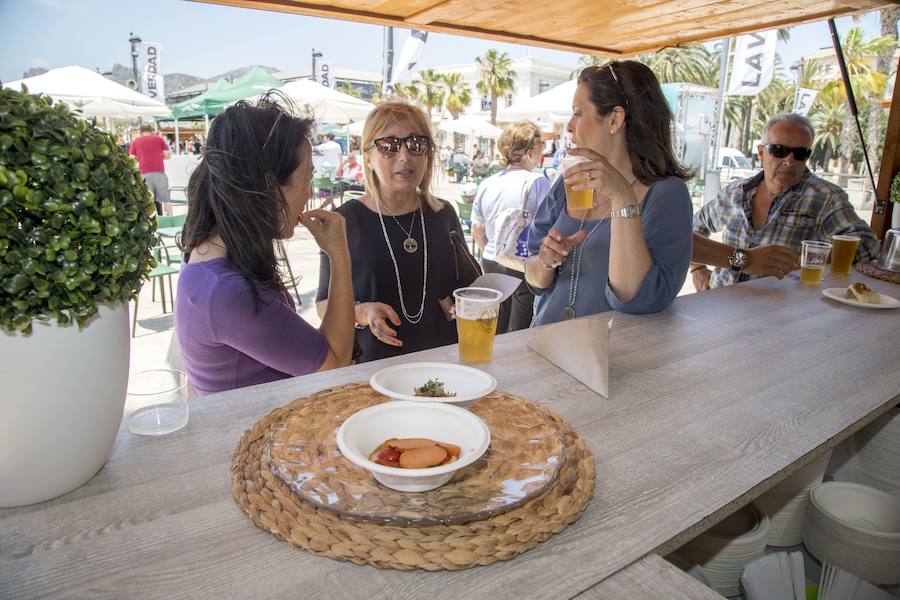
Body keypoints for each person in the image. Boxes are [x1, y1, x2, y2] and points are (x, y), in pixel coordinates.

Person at [175, 96, 355, 395]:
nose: (309, 193)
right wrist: (339, 254)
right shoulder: (227, 291)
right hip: (251, 434)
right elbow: (334, 366)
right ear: (269, 188)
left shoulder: (210, 253)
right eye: (307, 178)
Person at [526, 60, 693, 326]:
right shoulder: (567, 182)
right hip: (547, 348)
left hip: (612, 360)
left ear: (615, 119)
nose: (569, 126)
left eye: (578, 113)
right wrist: (545, 262)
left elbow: (636, 297)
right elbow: (533, 277)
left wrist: (622, 198)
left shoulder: (667, 194)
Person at [316, 102, 480, 362]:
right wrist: (363, 312)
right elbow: (323, 304)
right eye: (389, 146)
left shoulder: (443, 214)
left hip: (444, 359)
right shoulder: (347, 219)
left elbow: (469, 285)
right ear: (367, 156)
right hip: (375, 366)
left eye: (416, 144)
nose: (404, 156)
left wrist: (460, 302)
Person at [691, 113, 879, 291]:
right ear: (762, 152)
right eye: (779, 151)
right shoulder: (734, 193)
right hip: (721, 300)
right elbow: (692, 227)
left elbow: (868, 246)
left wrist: (815, 256)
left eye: (800, 153)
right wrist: (697, 269)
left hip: (782, 309)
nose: (789, 161)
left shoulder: (825, 197)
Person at [472, 120, 550, 333]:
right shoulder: (537, 182)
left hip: (490, 258)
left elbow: (477, 230)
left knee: (495, 324)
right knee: (518, 328)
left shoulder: (488, 183)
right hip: (520, 260)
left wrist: (494, 251)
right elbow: (549, 223)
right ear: (530, 151)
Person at [129, 123, 171, 215]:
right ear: (151, 130)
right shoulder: (159, 139)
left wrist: (140, 158)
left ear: (140, 131)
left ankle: (154, 223)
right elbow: (167, 155)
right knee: (166, 199)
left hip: (144, 173)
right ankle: (171, 220)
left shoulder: (136, 141)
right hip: (159, 172)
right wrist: (159, 157)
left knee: (149, 201)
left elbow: (131, 159)